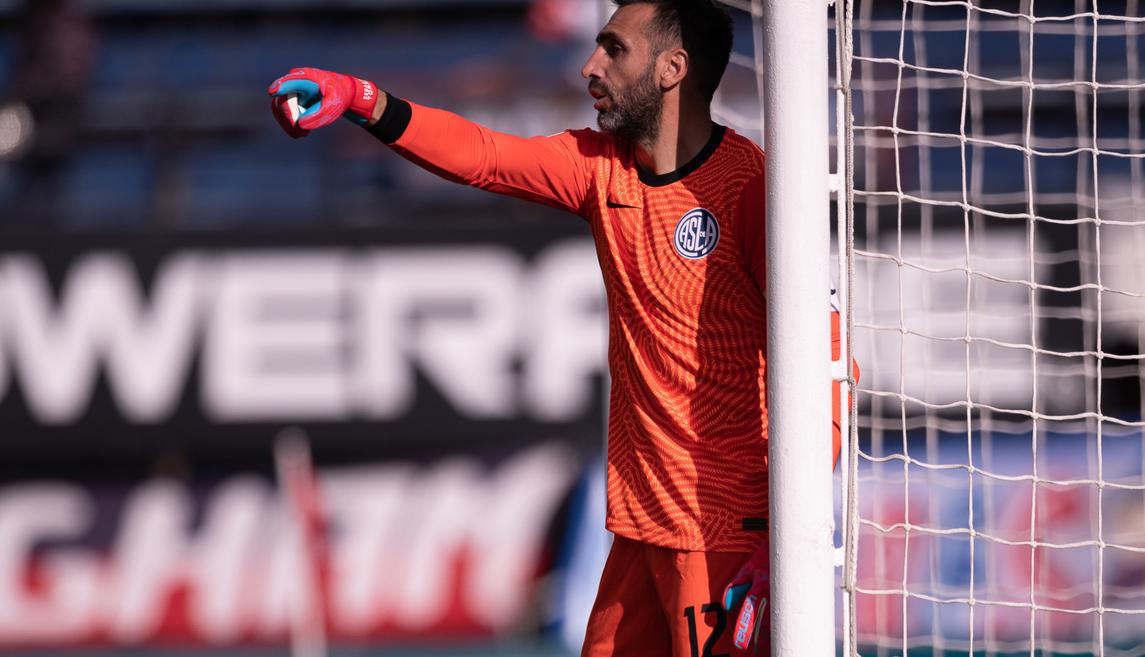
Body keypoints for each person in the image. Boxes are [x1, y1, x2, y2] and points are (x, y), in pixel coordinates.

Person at [268, 1, 853, 655]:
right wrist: (361, 98)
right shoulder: (600, 167)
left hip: (721, 540)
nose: (589, 66)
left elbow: (832, 363)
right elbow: (484, 155)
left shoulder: (754, 191)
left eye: (613, 49)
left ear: (672, 68)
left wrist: (785, 540)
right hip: (638, 533)